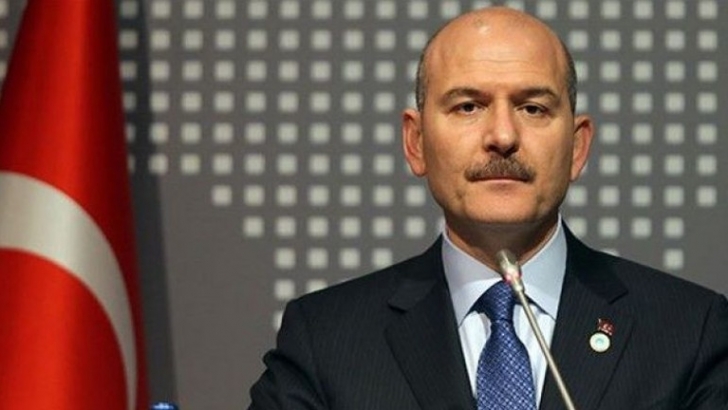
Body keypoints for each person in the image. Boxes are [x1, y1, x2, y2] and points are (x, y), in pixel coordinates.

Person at [248, 6, 728, 410]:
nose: (502, 136)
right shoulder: (326, 339)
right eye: (468, 106)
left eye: (533, 108)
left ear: (578, 148)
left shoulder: (690, 331)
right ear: (416, 142)